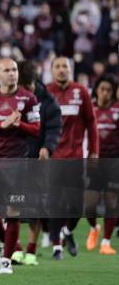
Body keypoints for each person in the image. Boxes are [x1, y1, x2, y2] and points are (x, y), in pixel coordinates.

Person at [0, 58, 40, 274]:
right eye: (7, 70)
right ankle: (9, 243)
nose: (12, 73)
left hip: (17, 162)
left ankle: (6, 260)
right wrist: (1, 124)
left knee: (13, 211)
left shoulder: (28, 98)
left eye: (14, 70)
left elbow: (36, 130)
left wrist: (18, 124)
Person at [47, 57, 99, 260]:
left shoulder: (81, 92)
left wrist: (94, 151)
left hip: (76, 158)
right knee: (55, 204)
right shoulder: (46, 93)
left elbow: (91, 123)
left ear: (71, 70)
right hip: (53, 158)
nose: (61, 70)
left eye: (65, 67)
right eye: (57, 66)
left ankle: (67, 232)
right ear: (51, 70)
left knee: (77, 206)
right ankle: (56, 248)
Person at [15, 61, 62, 266]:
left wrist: (47, 147)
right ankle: (14, 249)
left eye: (28, 87)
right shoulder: (11, 98)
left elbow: (54, 128)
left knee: (34, 207)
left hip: (37, 159)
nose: (25, 91)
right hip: (15, 157)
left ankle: (31, 251)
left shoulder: (48, 101)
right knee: (13, 206)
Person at [85, 74, 118, 255]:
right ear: (96, 90)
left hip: (113, 163)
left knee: (111, 202)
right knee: (89, 204)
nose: (105, 93)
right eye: (102, 89)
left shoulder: (117, 109)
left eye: (109, 90)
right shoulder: (90, 111)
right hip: (94, 162)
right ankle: (94, 228)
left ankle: (106, 242)